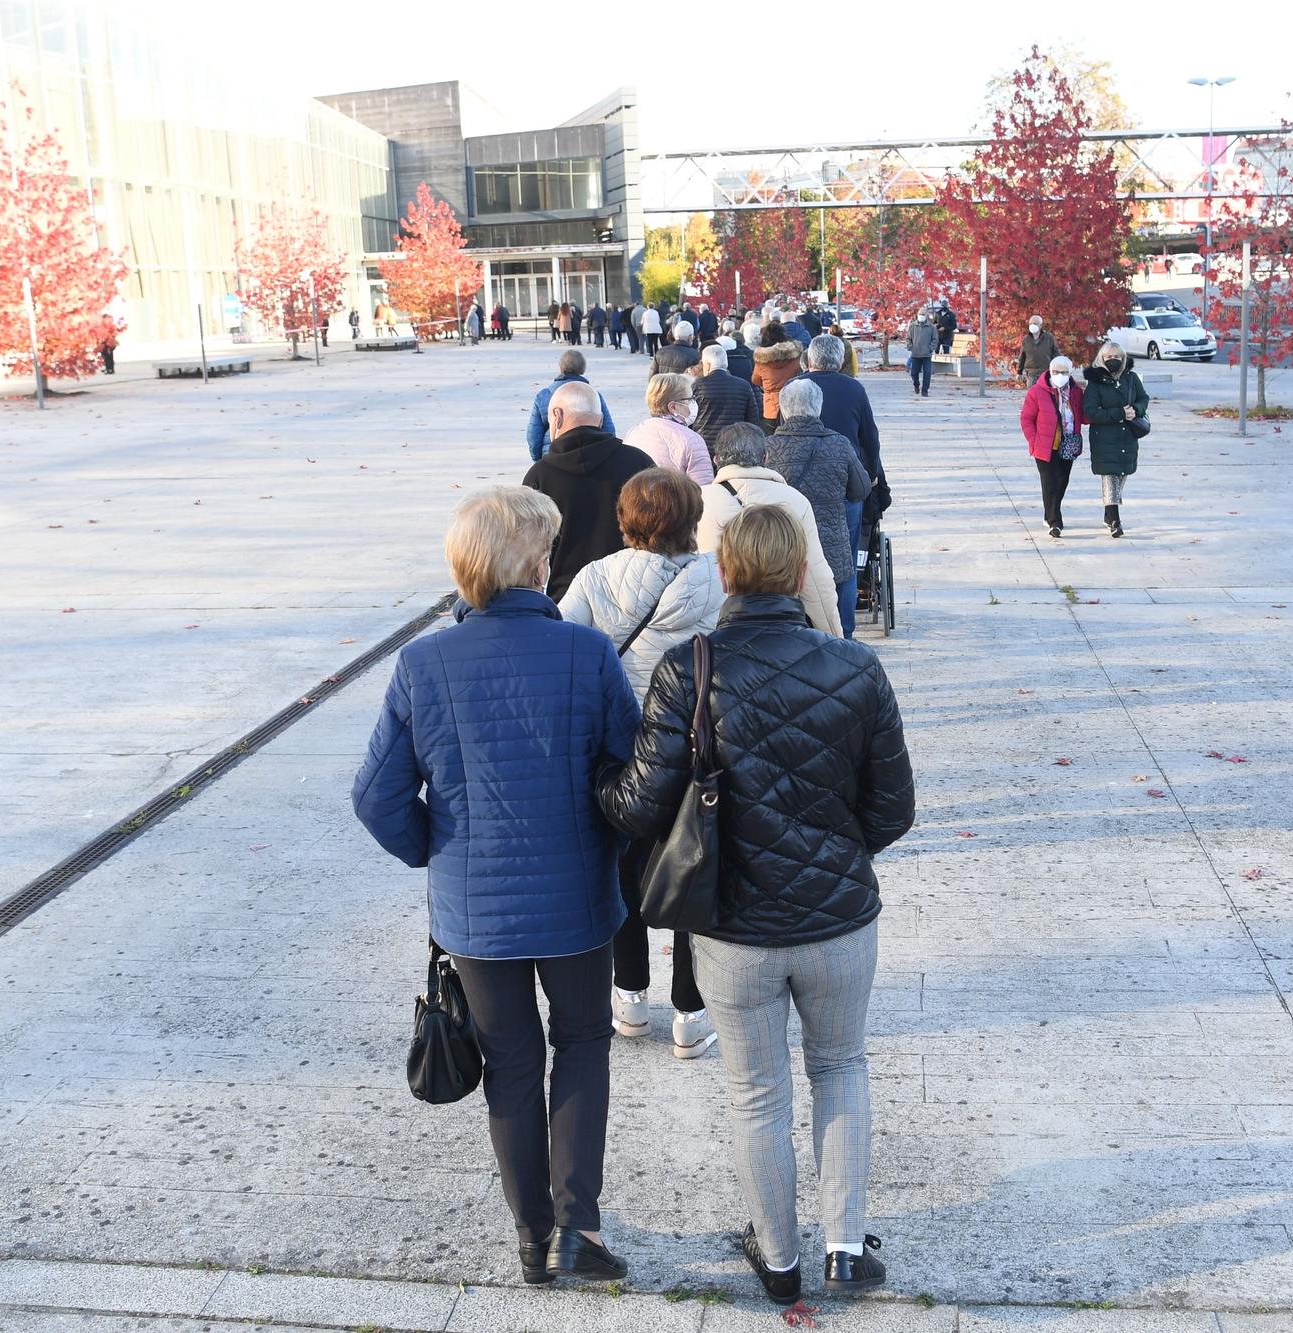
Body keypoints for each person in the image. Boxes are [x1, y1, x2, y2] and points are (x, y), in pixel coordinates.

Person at [597, 503, 915, 1306]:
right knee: (841, 1068)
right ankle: (845, 1247)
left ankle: (777, 1259)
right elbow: (893, 807)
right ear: (802, 569)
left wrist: (594, 780)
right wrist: (839, 855)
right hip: (839, 917)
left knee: (757, 1091)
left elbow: (640, 806)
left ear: (727, 571)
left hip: (732, 926)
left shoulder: (688, 667)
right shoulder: (855, 666)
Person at [352, 485, 636, 1288]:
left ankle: (530, 1237)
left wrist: (437, 850)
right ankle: (577, 1228)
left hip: (475, 913)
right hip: (580, 899)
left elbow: (375, 796)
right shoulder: (588, 654)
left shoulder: (422, 664)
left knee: (510, 1061)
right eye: (545, 551)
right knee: (581, 1043)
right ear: (532, 564)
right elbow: (635, 773)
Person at [557, 469, 725, 1060]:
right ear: (693, 519)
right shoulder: (720, 578)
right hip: (697, 749)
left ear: (625, 520)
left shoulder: (595, 577)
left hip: (618, 753)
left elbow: (563, 650)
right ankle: (690, 1009)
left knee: (620, 869)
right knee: (694, 867)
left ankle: (629, 996)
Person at [698, 424, 842, 635]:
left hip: (715, 625)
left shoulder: (698, 500)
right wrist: (833, 636)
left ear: (716, 460)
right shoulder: (794, 500)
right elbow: (816, 578)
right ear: (765, 457)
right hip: (780, 623)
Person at [522, 381, 654, 598]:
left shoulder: (539, 477)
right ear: (600, 419)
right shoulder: (639, 463)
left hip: (566, 599)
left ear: (557, 415)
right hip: (633, 595)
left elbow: (527, 557)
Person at [765, 379, 871, 637]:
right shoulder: (839, 444)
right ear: (819, 408)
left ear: (783, 409)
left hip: (781, 543)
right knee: (842, 577)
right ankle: (843, 636)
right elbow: (861, 490)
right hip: (829, 539)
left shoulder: (767, 448)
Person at [798, 335, 888, 577]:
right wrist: (868, 476)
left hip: (799, 481)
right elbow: (870, 438)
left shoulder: (795, 387)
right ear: (839, 360)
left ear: (810, 358)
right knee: (846, 555)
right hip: (845, 479)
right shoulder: (854, 389)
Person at [1081, 341, 1149, 540]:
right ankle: (1114, 521)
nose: (1113, 360)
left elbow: (1143, 399)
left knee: (1122, 475)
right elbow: (1090, 411)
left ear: (1123, 359)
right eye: (1109, 357)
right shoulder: (1095, 382)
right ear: (1101, 359)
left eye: (1117, 357)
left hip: (1127, 437)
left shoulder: (1131, 378)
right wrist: (1118, 414)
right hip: (1104, 438)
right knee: (1110, 477)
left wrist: (1135, 410)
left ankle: (1107, 512)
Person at [1019, 355, 1086, 538]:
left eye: (1064, 372)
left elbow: (1085, 417)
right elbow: (1026, 419)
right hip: (1045, 445)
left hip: (1068, 444)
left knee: (1062, 482)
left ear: (1070, 373)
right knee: (1050, 483)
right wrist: (1033, 440)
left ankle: (1049, 513)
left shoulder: (1076, 392)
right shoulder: (1037, 392)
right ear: (1050, 371)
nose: (1060, 375)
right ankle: (1055, 522)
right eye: (1056, 371)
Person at [624, 373, 716, 483]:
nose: (693, 403)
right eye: (690, 399)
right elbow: (704, 489)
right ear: (673, 407)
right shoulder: (692, 440)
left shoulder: (634, 433)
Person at [527, 351, 618, 463]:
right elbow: (608, 428)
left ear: (561, 368)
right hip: (590, 452)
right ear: (582, 369)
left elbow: (534, 433)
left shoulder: (544, 395)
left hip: (552, 454)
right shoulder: (593, 395)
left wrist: (537, 459)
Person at [691, 343, 759, 449]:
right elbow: (752, 418)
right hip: (735, 443)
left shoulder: (697, 385)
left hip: (705, 443)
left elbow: (690, 417)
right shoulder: (743, 385)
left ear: (707, 365)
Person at [750, 326, 805, 430]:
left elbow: (755, 380)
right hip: (793, 404)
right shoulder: (796, 356)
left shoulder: (761, 361)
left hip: (771, 408)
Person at [903, 309, 937, 398]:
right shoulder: (912, 326)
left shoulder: (931, 327)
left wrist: (930, 348)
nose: (921, 316)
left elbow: (935, 339)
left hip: (926, 355)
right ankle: (916, 385)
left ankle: (925, 390)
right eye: (920, 314)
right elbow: (908, 338)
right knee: (914, 373)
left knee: (927, 373)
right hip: (915, 354)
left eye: (923, 314)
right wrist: (910, 347)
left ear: (926, 316)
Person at [1016, 314, 1057, 383]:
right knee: (1032, 393)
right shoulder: (1026, 339)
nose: (1032, 325)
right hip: (1031, 374)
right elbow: (1022, 356)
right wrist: (1019, 372)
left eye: (1035, 324)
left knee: (1044, 393)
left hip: (1045, 373)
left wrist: (1056, 370)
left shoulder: (1049, 338)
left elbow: (1055, 354)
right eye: (1030, 324)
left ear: (1040, 326)